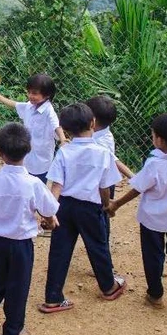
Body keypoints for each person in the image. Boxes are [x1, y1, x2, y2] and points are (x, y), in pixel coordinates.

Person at [0, 123, 60, 335]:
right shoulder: (33, 184)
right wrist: (50, 222)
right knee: (18, 285)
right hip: (21, 244)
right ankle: (12, 330)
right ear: (28, 150)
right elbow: (48, 211)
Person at [40, 103, 125, 314]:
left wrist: (50, 213)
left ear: (66, 130)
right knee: (98, 246)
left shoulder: (64, 152)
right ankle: (108, 286)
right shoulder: (102, 153)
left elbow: (56, 186)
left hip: (65, 207)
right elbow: (104, 186)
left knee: (59, 250)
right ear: (93, 123)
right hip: (90, 208)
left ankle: (53, 297)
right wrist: (107, 205)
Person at [108, 113, 167, 307]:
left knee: (153, 255)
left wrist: (116, 203)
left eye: (153, 135)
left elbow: (138, 188)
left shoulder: (154, 163)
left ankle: (155, 294)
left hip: (152, 219)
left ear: (160, 140)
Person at [0, 74, 67, 183]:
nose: (30, 96)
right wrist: (0, 98)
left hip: (41, 159)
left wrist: (62, 139)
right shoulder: (30, 106)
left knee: (38, 183)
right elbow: (17, 105)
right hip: (26, 155)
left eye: (34, 93)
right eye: (28, 92)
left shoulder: (49, 111)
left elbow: (56, 125)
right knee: (23, 180)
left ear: (47, 95)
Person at [85, 95, 134, 251]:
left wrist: (135, 179)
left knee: (102, 221)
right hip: (91, 183)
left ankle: (104, 258)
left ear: (92, 120)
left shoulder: (102, 140)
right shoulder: (97, 131)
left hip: (102, 185)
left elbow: (115, 162)